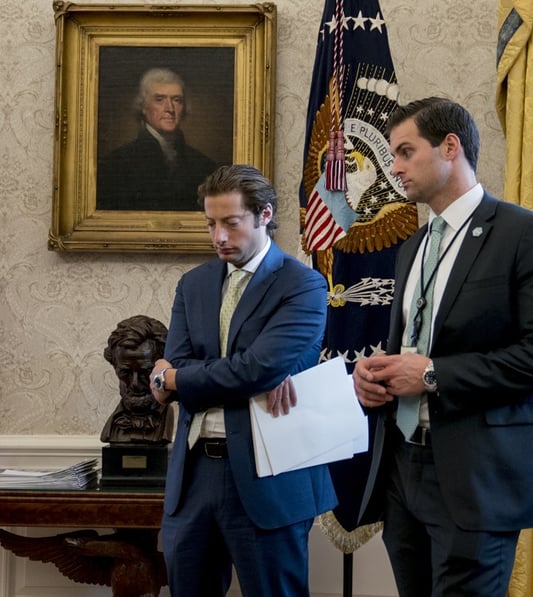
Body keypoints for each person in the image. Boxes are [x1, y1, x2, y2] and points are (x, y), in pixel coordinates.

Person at [352, 97, 533, 596]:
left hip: (477, 478)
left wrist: (433, 376)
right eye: (392, 155)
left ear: (450, 147)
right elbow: (410, 345)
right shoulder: (413, 247)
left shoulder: (523, 233)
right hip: (402, 472)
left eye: (406, 152)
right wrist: (376, 378)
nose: (395, 168)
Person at [148, 164, 336, 596]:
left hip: (268, 477)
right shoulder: (192, 284)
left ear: (264, 215)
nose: (218, 237)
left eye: (231, 223)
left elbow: (256, 369)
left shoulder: (303, 285)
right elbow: (185, 360)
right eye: (211, 224)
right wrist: (201, 374)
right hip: (193, 477)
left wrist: (176, 378)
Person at [96, 67, 219, 211]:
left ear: (184, 107)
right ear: (143, 106)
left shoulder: (205, 166)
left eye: (176, 100)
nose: (170, 109)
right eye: (159, 99)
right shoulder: (114, 165)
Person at [100, 314, 174, 444]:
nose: (135, 384)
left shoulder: (167, 417)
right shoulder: (112, 427)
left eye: (145, 372)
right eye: (125, 372)